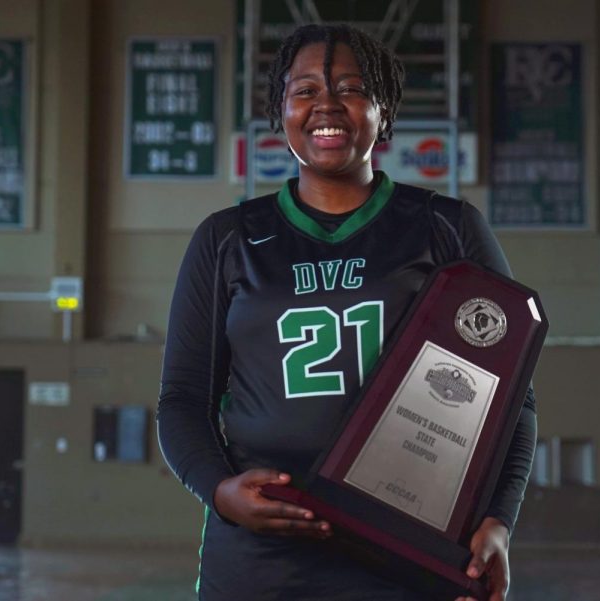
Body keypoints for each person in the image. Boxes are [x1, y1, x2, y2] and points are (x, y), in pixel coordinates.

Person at [158, 23, 537, 601]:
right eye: (304, 90)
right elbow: (182, 400)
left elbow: (511, 402)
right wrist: (220, 491)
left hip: (410, 555)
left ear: (384, 113)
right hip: (262, 562)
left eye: (352, 89)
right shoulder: (228, 239)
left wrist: (499, 521)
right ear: (278, 111)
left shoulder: (446, 228)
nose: (327, 106)